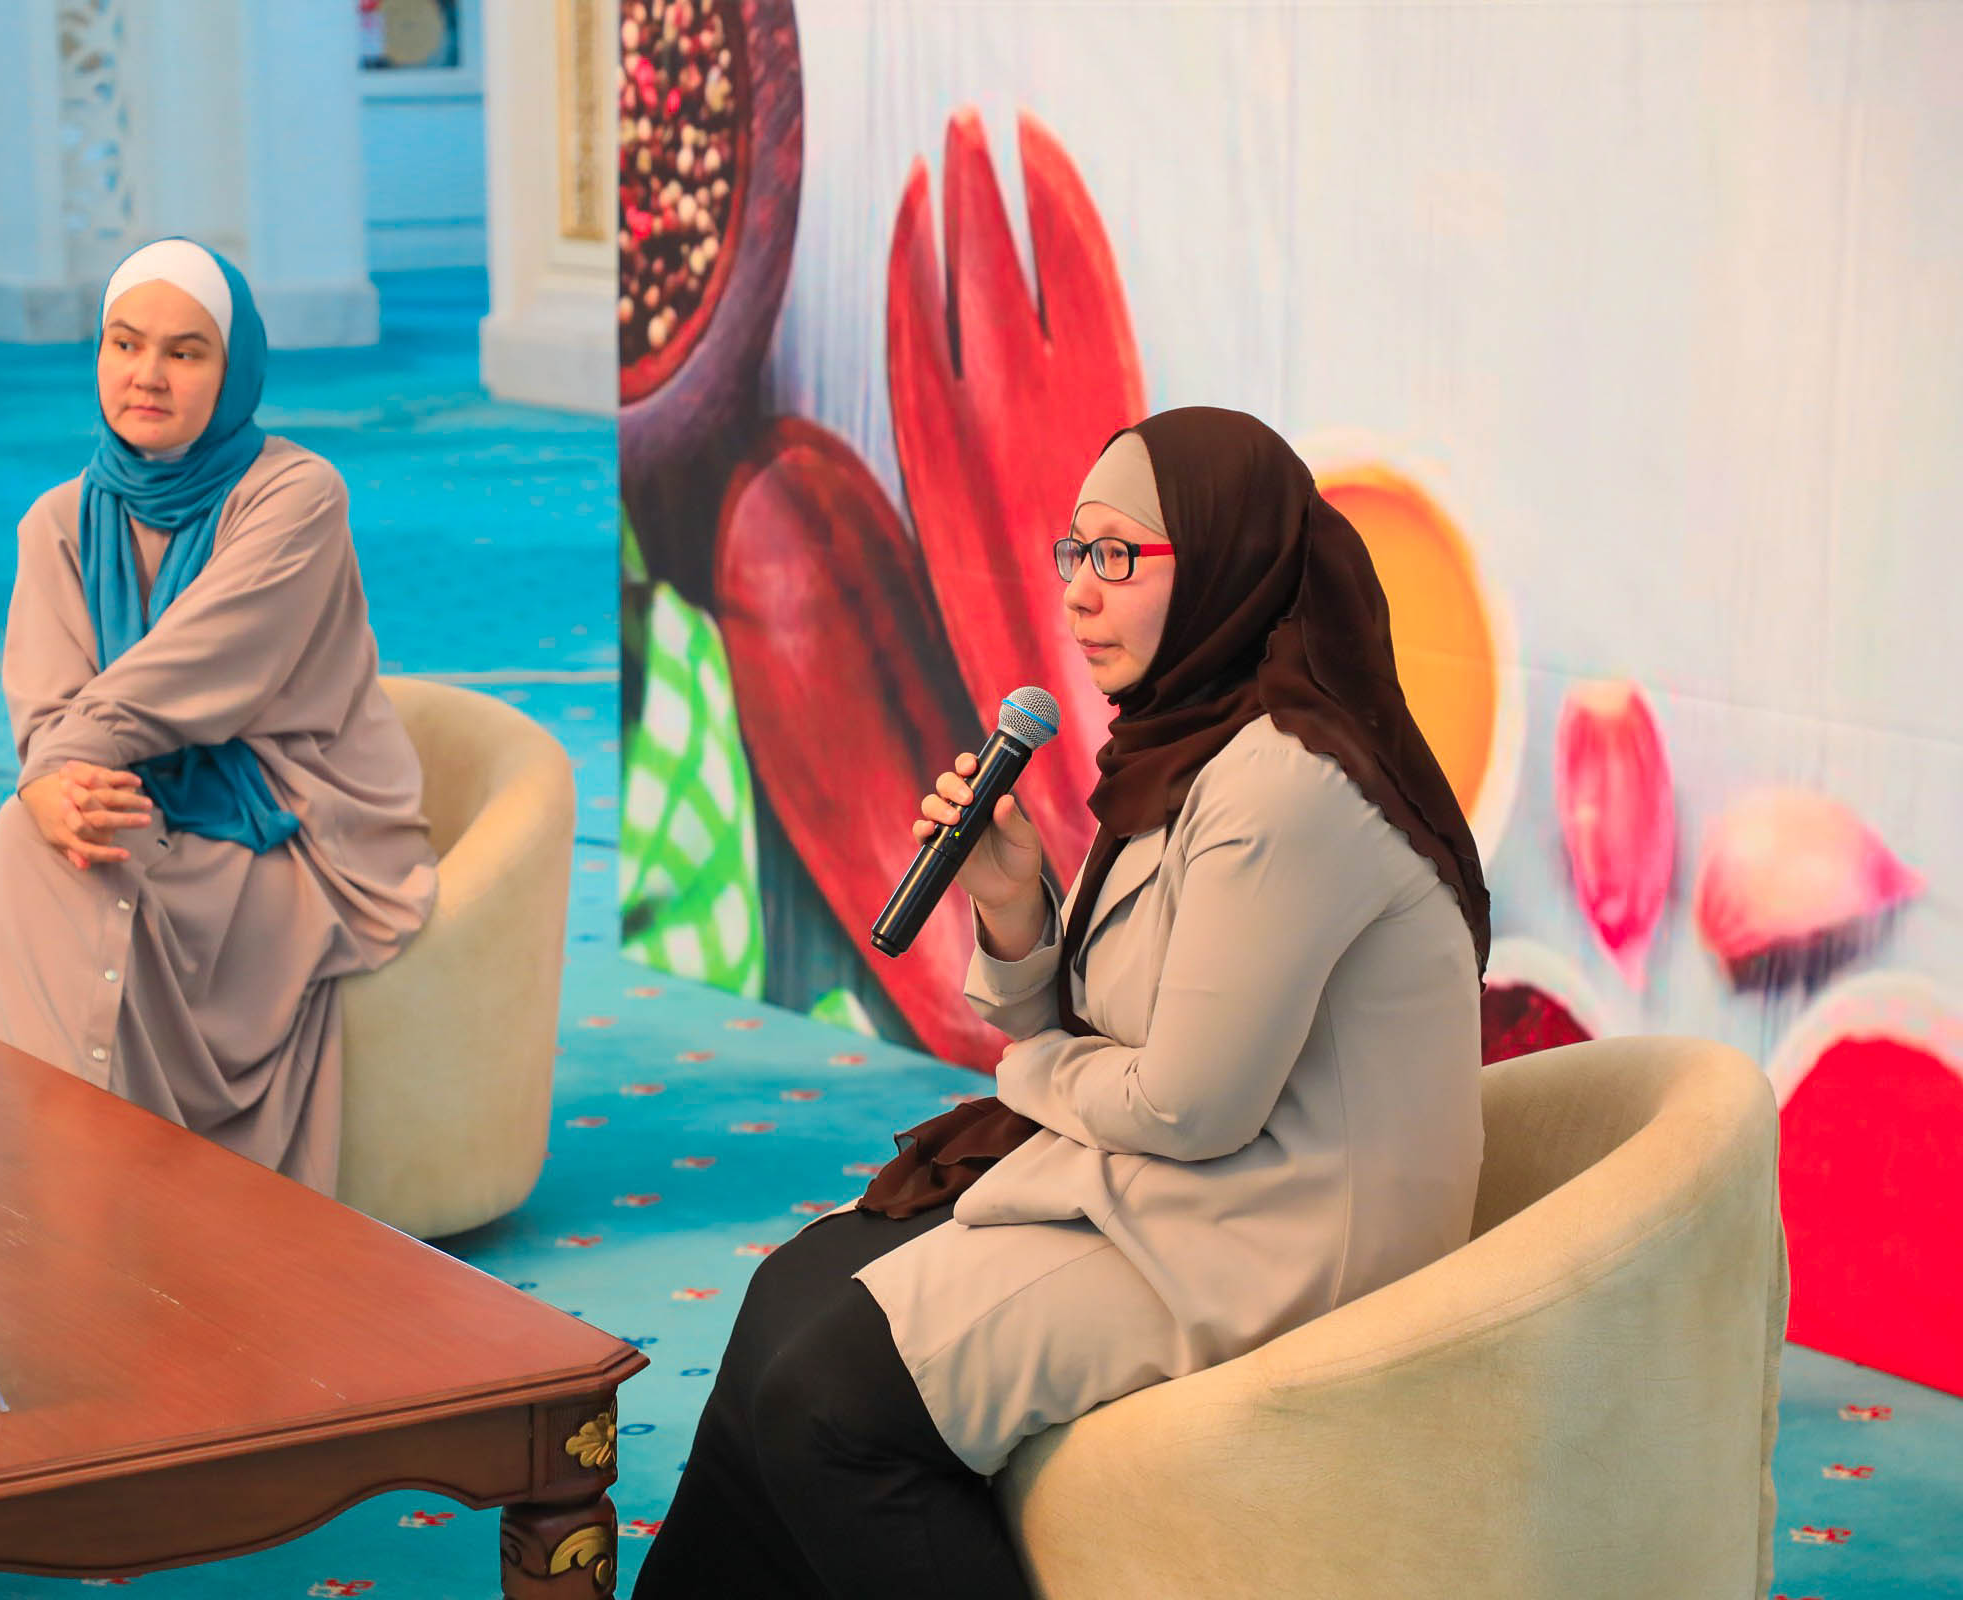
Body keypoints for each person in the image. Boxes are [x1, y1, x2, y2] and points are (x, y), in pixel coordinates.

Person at [634, 407, 1491, 1598]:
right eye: (1075, 551)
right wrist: (1013, 906)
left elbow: (1187, 1104)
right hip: (1178, 1194)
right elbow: (1105, 1027)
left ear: (1231, 562)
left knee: (828, 1401)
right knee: (791, 1294)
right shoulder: (1188, 744)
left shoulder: (1286, 781)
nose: (1081, 592)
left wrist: (1028, 1077)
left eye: (1120, 555)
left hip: (1271, 1239)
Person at [0, 238, 438, 1195]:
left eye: (185, 353)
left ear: (234, 371)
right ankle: (64, 1173)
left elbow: (200, 667)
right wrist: (52, 784)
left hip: (285, 824)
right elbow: (49, 709)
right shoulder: (58, 521)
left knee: (54, 825)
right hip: (144, 809)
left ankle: (100, 1191)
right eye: (124, 344)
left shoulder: (296, 495)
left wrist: (52, 773)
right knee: (36, 842)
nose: (146, 375)